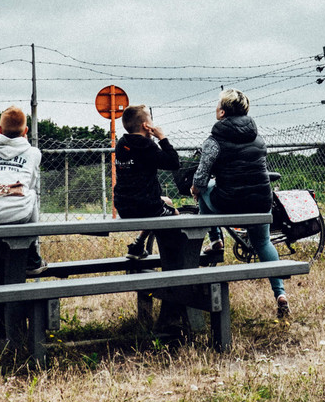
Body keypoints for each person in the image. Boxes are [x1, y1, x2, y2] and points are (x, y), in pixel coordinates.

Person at [190, 88, 289, 319]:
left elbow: (201, 178)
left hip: (229, 202)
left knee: (204, 191)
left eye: (217, 105)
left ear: (222, 112)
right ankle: (281, 294)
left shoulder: (214, 141)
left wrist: (194, 189)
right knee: (263, 242)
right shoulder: (258, 137)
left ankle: (215, 240)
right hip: (261, 202)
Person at [0, 106, 45, 273]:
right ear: (25, 131)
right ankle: (32, 256)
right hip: (20, 213)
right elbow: (30, 183)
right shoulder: (33, 152)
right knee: (31, 194)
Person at [113, 104, 182, 259]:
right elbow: (174, 163)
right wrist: (162, 138)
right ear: (146, 125)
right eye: (150, 119)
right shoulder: (146, 145)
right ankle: (174, 258)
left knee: (166, 201)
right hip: (145, 205)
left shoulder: (122, 143)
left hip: (124, 205)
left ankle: (138, 244)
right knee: (175, 214)